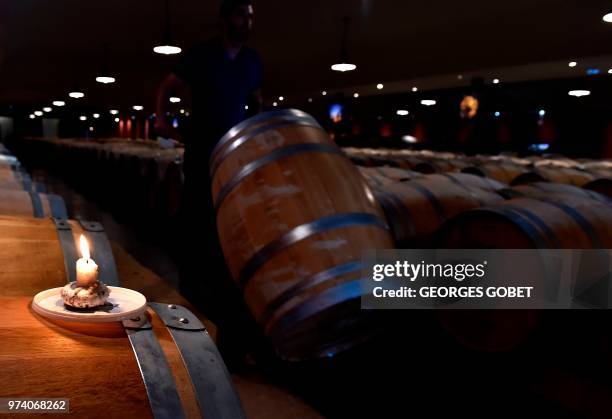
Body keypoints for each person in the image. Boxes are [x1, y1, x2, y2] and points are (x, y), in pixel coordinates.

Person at [155, 0, 265, 368]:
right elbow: (168, 85)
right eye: (239, 14)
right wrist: (162, 121)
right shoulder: (202, 55)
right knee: (197, 223)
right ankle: (190, 304)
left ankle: (224, 318)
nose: (245, 22)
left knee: (225, 230)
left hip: (233, 155)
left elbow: (257, 102)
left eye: (249, 16)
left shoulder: (251, 62)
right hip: (202, 151)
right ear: (224, 19)